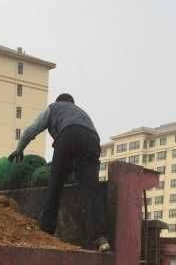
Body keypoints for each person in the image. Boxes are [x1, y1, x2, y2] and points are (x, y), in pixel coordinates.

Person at [9, 93, 106, 246]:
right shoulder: (82, 113)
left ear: (59, 101)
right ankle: (99, 238)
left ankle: (46, 231)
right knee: (90, 191)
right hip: (93, 141)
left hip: (68, 136)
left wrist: (19, 148)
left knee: (55, 185)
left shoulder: (54, 108)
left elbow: (32, 130)